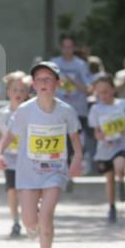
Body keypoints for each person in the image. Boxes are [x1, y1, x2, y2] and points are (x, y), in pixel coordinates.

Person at [0, 61, 82, 248]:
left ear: (58, 84)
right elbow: (10, 134)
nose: (44, 83)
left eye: (48, 79)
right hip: (28, 171)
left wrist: (77, 159)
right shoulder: (25, 110)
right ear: (33, 84)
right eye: (39, 79)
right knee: (30, 221)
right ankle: (33, 228)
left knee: (46, 216)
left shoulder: (66, 111)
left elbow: (75, 139)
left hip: (55, 170)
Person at [88, 73, 125, 223]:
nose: (102, 96)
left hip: (122, 144)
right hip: (105, 148)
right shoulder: (96, 109)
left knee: (119, 166)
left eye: (105, 91)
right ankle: (112, 207)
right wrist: (101, 136)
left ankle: (122, 182)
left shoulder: (123, 104)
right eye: (99, 93)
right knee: (109, 179)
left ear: (113, 89)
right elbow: (96, 131)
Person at [0, 70, 30, 237]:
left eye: (22, 90)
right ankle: (15, 221)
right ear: (8, 92)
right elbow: (1, 135)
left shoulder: (32, 111)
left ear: (28, 93)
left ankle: (30, 215)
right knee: (12, 190)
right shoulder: (2, 113)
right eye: (15, 90)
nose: (18, 93)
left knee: (26, 190)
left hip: (28, 157)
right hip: (9, 157)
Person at [51, 35, 94, 173]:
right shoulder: (54, 63)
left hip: (77, 110)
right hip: (58, 110)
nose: (67, 50)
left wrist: (71, 81)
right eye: (64, 47)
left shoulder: (80, 65)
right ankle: (63, 170)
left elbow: (88, 89)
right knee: (61, 141)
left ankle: (72, 169)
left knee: (73, 141)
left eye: (70, 47)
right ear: (61, 48)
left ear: (74, 48)